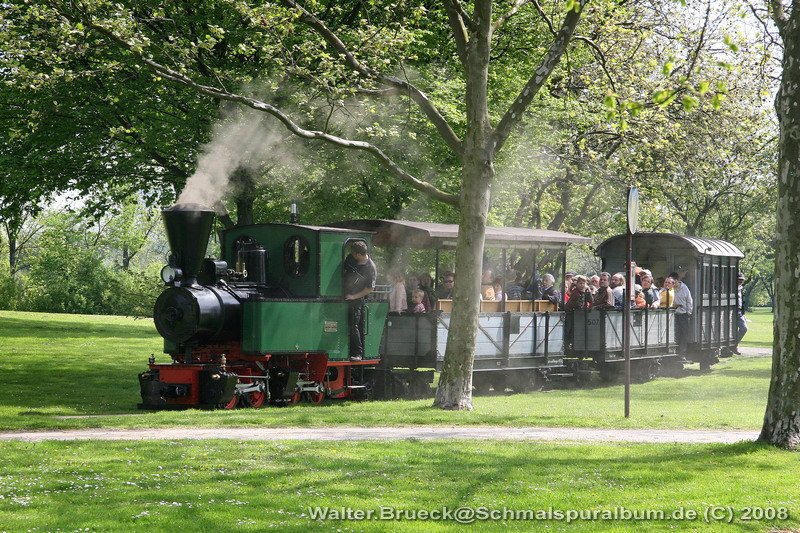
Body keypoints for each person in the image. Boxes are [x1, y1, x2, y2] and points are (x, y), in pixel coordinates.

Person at [343, 241, 377, 362]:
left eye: (353, 253)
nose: (351, 255)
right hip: (344, 295)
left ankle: (358, 353)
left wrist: (354, 296)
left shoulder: (370, 268)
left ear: (358, 254)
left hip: (357, 300)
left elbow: (369, 289)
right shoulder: (350, 259)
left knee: (354, 325)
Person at [672, 274, 694, 356]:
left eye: (674, 282)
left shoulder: (684, 288)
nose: (673, 284)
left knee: (683, 334)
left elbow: (689, 301)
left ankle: (682, 353)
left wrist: (688, 312)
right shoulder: (670, 288)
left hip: (683, 314)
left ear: (677, 280)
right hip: (673, 314)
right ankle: (675, 351)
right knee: (675, 333)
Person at [734, 272, 747, 355]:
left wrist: (743, 312)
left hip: (739, 312)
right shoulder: (732, 289)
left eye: (742, 280)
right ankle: (733, 346)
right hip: (733, 311)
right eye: (739, 280)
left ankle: (734, 345)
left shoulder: (741, 289)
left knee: (744, 328)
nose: (740, 282)